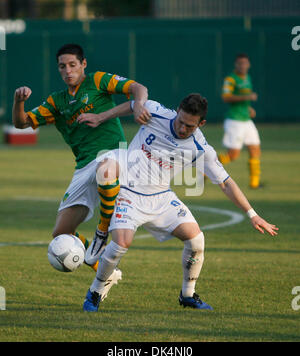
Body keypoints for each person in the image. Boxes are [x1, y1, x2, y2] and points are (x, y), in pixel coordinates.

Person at [80, 93, 278, 312]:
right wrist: (102, 117)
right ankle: (95, 292)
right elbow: (132, 103)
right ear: (176, 111)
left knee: (196, 240)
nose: (182, 129)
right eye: (180, 121)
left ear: (201, 123)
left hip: (162, 197)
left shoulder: (200, 148)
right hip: (128, 192)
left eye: (190, 126)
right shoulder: (156, 112)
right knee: (120, 244)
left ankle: (188, 295)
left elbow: (226, 183)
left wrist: (252, 214)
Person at [12, 43, 151, 299]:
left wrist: (136, 105)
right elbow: (21, 123)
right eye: (62, 67)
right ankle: (103, 268)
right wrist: (18, 101)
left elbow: (137, 89)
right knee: (60, 233)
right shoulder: (57, 102)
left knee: (105, 169)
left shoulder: (97, 81)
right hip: (83, 166)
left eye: (72, 65)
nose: (67, 71)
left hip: (114, 153)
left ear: (83, 64)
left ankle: (102, 231)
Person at [218, 53, 262, 189]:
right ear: (235, 65)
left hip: (246, 120)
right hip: (234, 120)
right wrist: (246, 97)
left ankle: (254, 183)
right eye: (239, 63)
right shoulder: (231, 79)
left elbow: (243, 99)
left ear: (248, 65)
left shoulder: (247, 77)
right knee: (233, 155)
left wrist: (248, 108)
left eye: (245, 63)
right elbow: (226, 97)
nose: (242, 66)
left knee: (255, 148)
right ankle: (207, 171)